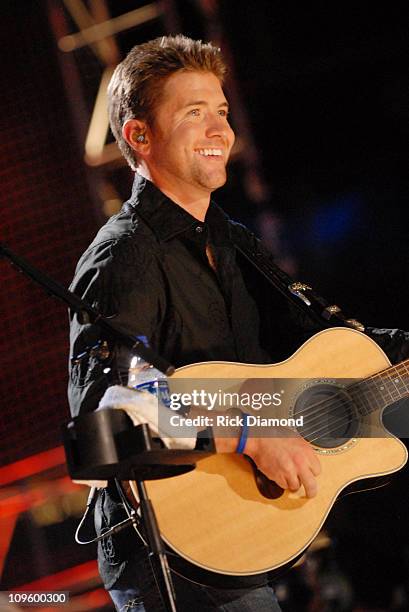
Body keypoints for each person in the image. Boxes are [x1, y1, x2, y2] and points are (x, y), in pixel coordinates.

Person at [68, 35, 409, 612]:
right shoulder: (124, 256)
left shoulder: (233, 243)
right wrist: (247, 434)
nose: (219, 130)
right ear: (139, 136)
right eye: (193, 113)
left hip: (242, 542)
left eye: (221, 111)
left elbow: (340, 344)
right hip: (170, 556)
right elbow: (105, 425)